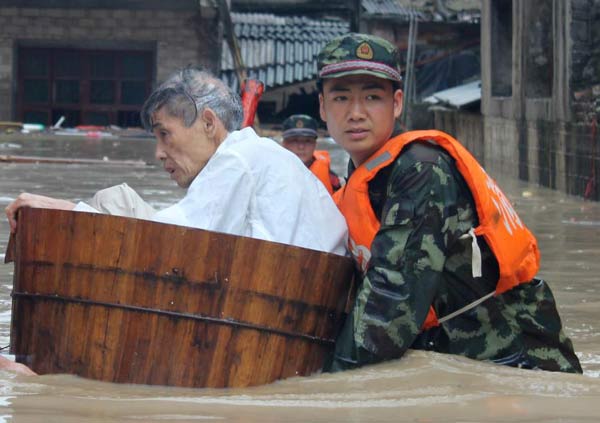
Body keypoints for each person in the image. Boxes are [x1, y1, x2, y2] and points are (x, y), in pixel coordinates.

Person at [316, 33, 582, 373]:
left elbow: (389, 306)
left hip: (518, 364)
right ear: (322, 107)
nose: (356, 113)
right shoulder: (360, 182)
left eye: (372, 97)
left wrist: (322, 385)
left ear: (396, 103)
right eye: (341, 98)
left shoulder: (422, 170)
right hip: (463, 363)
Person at [5, 67, 347, 257]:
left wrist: (61, 210)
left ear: (209, 123)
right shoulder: (255, 154)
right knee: (116, 201)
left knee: (115, 202)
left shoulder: (238, 159)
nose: (158, 153)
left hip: (291, 303)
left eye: (164, 134)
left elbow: (168, 237)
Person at [281, 114, 342, 194]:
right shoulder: (271, 172)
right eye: (294, 140)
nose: (301, 147)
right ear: (284, 144)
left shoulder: (331, 177)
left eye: (308, 141)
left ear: (315, 144)